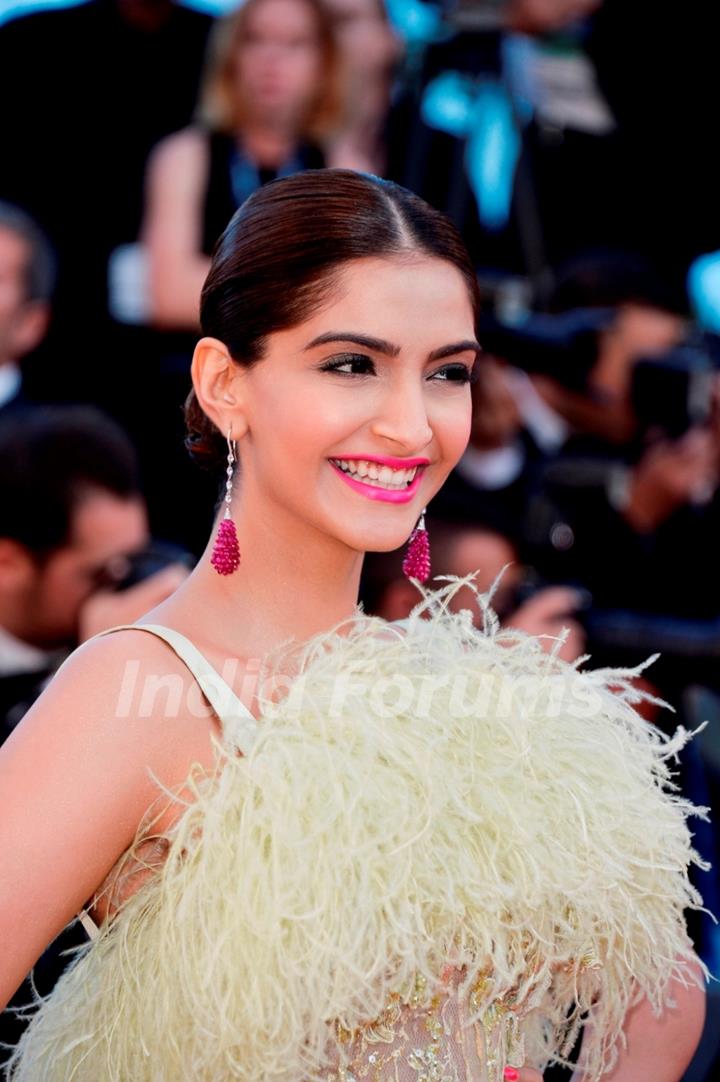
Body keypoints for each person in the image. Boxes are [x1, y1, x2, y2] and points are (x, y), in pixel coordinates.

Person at [0, 171, 706, 1081]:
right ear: (225, 385)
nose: (412, 426)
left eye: (446, 373)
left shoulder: (451, 690)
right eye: (351, 365)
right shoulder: (141, 692)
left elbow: (663, 990)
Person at [143, 0, 341, 332]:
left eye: (294, 43)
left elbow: (350, 295)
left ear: (324, 64)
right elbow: (170, 294)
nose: (271, 59)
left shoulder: (340, 164)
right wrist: (305, 295)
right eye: (255, 39)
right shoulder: (185, 155)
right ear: (231, 55)